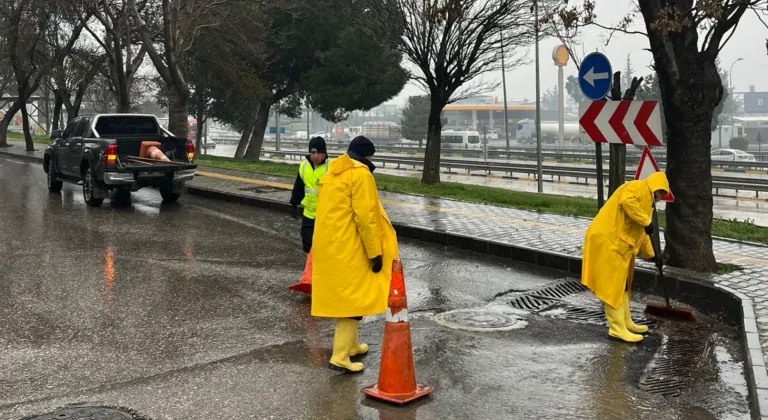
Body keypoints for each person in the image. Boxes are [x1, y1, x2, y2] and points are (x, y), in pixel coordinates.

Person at [311, 136, 398, 373]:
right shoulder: (361, 175)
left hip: (331, 246)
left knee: (350, 297)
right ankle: (340, 356)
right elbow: (366, 217)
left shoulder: (333, 173)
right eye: (371, 156)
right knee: (352, 303)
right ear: (367, 155)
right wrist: (375, 252)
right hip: (351, 246)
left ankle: (352, 346)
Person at [581, 172, 672, 343]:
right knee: (613, 287)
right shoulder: (636, 187)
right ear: (657, 189)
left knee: (623, 286)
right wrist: (646, 221)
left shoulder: (646, 203)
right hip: (608, 241)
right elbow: (627, 203)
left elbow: (643, 232)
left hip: (621, 246)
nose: (660, 199)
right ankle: (616, 329)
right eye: (661, 194)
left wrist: (653, 256)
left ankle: (625, 322)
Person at [290, 136, 330, 253]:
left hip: (325, 215)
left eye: (319, 152)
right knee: (307, 244)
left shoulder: (331, 167)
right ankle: (310, 269)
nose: (316, 156)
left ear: (324, 153)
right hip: (309, 213)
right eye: (313, 152)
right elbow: (299, 186)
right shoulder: (304, 165)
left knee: (323, 246)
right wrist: (294, 203)